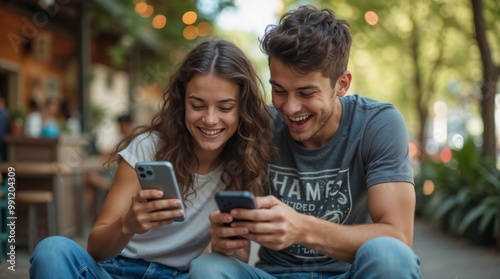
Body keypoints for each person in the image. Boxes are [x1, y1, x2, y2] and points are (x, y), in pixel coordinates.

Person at [189, 5, 421, 279]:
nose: (289, 107)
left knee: (392, 258)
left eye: (306, 92)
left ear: (342, 84)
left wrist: (302, 229)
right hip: (273, 274)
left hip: (349, 274)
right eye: (279, 90)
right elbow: (240, 252)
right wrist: (225, 241)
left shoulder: (377, 124)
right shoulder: (261, 125)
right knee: (207, 268)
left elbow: (398, 236)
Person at [29, 39, 275, 278]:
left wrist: (225, 245)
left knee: (208, 267)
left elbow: (239, 258)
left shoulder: (246, 161)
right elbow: (95, 248)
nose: (210, 119)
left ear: (242, 108)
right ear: (182, 103)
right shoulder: (149, 147)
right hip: (115, 271)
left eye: (224, 107)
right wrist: (128, 224)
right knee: (52, 250)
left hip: (182, 274)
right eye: (197, 105)